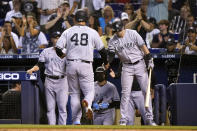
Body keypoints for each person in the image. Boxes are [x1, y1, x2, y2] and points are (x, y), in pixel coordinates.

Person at [55, 9, 109, 125]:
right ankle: (87, 104)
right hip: (85, 64)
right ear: (87, 19)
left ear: (75, 19)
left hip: (71, 64)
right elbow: (102, 50)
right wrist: (106, 62)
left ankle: (76, 121)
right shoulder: (92, 32)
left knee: (74, 93)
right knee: (90, 91)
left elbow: (58, 49)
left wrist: (64, 55)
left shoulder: (68, 31)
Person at [108, 18, 155, 125]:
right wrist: (106, 63)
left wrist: (149, 59)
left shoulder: (133, 33)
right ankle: (124, 118)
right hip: (127, 67)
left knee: (145, 90)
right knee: (125, 93)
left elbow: (144, 47)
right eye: (116, 31)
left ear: (123, 27)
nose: (118, 32)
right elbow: (110, 55)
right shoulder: (112, 41)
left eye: (119, 30)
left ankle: (150, 117)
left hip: (139, 63)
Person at [26, 31, 68, 125]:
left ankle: (63, 128)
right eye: (55, 37)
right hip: (49, 80)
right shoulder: (46, 51)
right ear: (51, 39)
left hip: (62, 81)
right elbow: (39, 64)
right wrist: (32, 69)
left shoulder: (66, 52)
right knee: (50, 108)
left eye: (58, 37)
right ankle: (52, 128)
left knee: (62, 108)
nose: (57, 39)